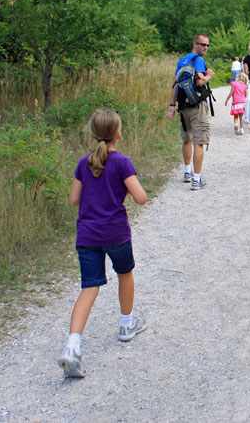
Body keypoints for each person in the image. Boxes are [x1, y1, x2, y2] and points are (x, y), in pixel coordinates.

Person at [58, 109, 148, 378]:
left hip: (87, 236)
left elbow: (74, 200)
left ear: (93, 133)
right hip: (116, 233)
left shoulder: (84, 163)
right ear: (118, 134)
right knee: (125, 274)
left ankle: (73, 347)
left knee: (89, 288)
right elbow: (141, 197)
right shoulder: (122, 163)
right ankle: (126, 324)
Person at [167, 34, 214, 190]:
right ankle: (196, 179)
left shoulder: (182, 60)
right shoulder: (198, 60)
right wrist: (209, 76)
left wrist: (172, 104)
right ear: (195, 44)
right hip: (197, 105)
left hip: (183, 105)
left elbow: (175, 84)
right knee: (199, 142)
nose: (205, 47)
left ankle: (187, 172)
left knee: (187, 138)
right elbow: (200, 80)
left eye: (207, 45)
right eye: (203, 44)